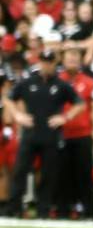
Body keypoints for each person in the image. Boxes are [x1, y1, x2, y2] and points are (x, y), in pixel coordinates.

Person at [3, 47, 83, 217]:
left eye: (50, 62)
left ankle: (43, 209)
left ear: (55, 63)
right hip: (30, 134)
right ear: (40, 62)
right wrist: (17, 115)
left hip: (51, 136)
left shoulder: (61, 85)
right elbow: (9, 98)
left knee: (48, 174)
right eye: (44, 61)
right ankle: (14, 208)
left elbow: (79, 103)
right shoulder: (28, 82)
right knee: (20, 171)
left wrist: (65, 117)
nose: (46, 65)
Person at [55, 47, 93, 218]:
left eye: (75, 57)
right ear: (63, 60)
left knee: (85, 174)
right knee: (62, 174)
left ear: (80, 60)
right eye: (69, 57)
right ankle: (63, 209)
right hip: (61, 134)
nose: (72, 60)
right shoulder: (57, 81)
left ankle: (89, 210)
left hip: (83, 133)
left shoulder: (89, 82)